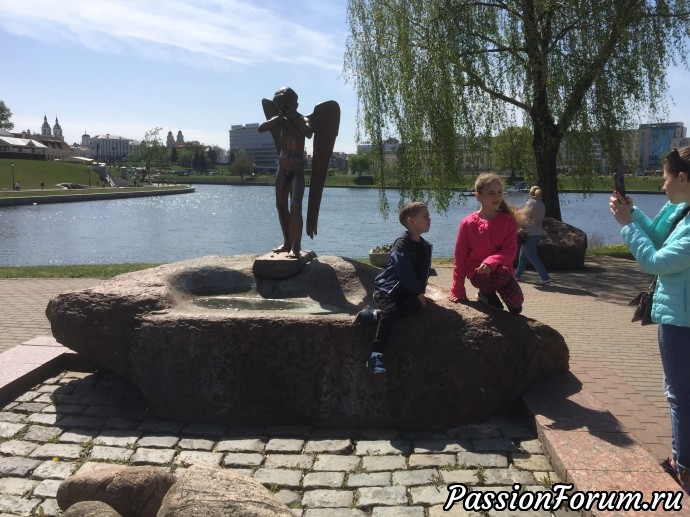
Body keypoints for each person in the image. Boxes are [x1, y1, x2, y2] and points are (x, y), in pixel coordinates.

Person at [610, 147, 690, 494]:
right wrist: (633, 214)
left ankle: (684, 469)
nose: (662, 185)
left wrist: (627, 226)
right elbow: (659, 238)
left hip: (683, 322)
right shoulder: (683, 211)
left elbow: (656, 260)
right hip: (680, 317)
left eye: (665, 178)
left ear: (682, 178)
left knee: (680, 396)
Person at [353, 201, 433, 374]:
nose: (430, 219)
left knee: (418, 306)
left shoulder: (425, 246)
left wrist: (420, 294)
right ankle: (375, 355)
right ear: (411, 221)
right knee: (390, 312)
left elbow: (422, 273)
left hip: (406, 291)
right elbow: (403, 269)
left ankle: (375, 315)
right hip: (388, 289)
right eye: (425, 216)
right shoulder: (402, 243)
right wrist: (417, 292)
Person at [448, 172, 524, 315]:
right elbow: (460, 257)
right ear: (478, 196)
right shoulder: (467, 223)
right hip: (479, 273)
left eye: (499, 192)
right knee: (500, 276)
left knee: (516, 304)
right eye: (491, 193)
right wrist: (458, 288)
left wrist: (490, 262)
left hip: (502, 272)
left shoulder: (508, 220)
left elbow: (510, 251)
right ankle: (485, 293)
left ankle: (492, 294)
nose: (497, 197)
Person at [259, 87, 314, 258]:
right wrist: (279, 117)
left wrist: (294, 117)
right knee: (281, 205)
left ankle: (296, 247)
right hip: (282, 167)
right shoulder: (280, 120)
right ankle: (287, 242)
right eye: (279, 106)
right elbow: (262, 128)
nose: (282, 108)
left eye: (284, 105)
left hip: (297, 168)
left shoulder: (303, 119)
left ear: (294, 104)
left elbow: (308, 133)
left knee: (295, 205)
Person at [515, 186, 551, 285]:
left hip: (530, 234)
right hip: (538, 232)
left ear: (530, 193)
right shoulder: (541, 204)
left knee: (533, 258)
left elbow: (524, 217)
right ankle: (517, 275)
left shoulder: (530, 203)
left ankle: (545, 277)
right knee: (523, 256)